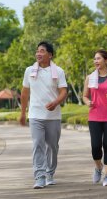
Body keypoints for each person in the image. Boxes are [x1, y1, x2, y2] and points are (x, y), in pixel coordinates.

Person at [20, 41, 68, 189]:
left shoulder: (58, 71)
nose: (38, 54)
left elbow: (63, 91)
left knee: (52, 147)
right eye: (37, 51)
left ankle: (50, 173)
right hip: (35, 115)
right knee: (37, 145)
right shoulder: (29, 70)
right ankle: (39, 177)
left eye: (42, 51)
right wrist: (23, 112)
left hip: (53, 116)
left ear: (50, 54)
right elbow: (25, 92)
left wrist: (56, 102)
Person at [83, 49, 107, 187]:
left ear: (106, 60)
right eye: (95, 59)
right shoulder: (89, 78)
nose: (95, 61)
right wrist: (88, 102)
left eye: (98, 58)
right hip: (94, 117)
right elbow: (85, 96)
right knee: (95, 147)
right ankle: (98, 167)